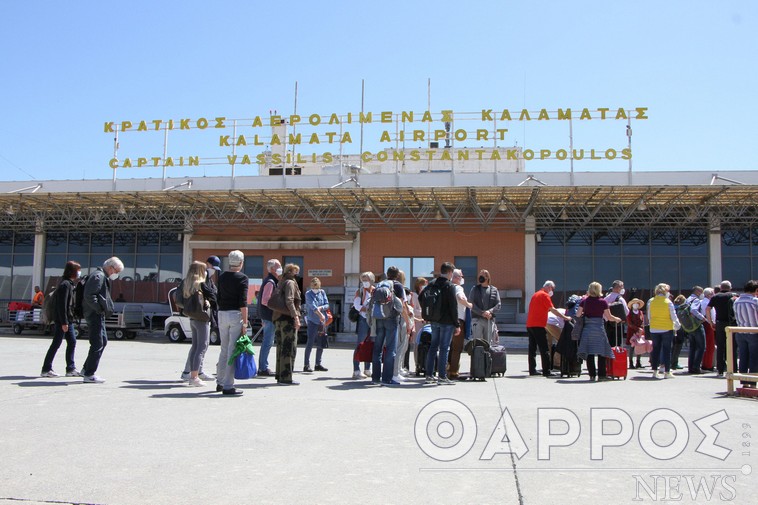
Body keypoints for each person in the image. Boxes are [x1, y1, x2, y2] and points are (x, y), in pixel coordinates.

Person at [81, 256, 124, 383]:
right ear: (110, 268)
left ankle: (86, 369)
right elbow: (89, 295)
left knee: (102, 341)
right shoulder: (98, 276)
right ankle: (89, 374)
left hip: (97, 314)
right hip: (94, 314)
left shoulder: (100, 276)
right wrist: (99, 309)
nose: (116, 275)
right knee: (97, 343)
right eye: (116, 272)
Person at [180, 256, 219, 381]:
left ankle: (192, 372)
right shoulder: (200, 284)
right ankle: (194, 375)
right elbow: (214, 296)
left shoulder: (187, 283)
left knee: (195, 346)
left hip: (192, 316)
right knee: (202, 346)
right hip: (202, 317)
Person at [41, 261, 82, 378]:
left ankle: (71, 368)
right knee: (56, 343)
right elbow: (62, 305)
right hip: (63, 320)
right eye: (78, 270)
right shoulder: (65, 285)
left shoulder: (67, 283)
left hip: (66, 319)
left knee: (72, 342)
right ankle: (46, 369)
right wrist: (64, 322)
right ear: (73, 271)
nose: (79, 272)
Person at [215, 250, 248, 396]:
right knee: (232, 350)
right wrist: (245, 322)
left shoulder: (221, 277)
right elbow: (243, 301)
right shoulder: (242, 278)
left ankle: (220, 382)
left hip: (222, 313)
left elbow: (218, 296)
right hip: (235, 314)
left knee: (224, 349)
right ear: (241, 262)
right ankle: (229, 385)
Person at [576, 282, 623, 381]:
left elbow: (578, 314)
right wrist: (617, 319)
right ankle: (601, 375)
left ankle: (592, 375)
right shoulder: (603, 302)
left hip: (588, 330)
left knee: (589, 353)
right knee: (602, 352)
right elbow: (609, 317)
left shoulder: (584, 301)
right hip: (599, 329)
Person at [424, 262, 459, 386]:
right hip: (447, 322)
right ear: (449, 272)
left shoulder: (432, 283)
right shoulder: (449, 286)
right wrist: (457, 324)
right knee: (444, 348)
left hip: (434, 320)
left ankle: (429, 375)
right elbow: (453, 306)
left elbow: (422, 297)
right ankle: (442, 376)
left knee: (433, 347)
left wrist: (427, 314)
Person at [526, 280, 571, 377]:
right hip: (539, 325)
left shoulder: (536, 294)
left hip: (530, 324)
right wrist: (565, 318)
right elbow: (553, 310)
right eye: (552, 289)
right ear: (549, 287)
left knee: (532, 348)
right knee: (544, 348)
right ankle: (546, 371)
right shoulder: (545, 295)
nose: (552, 291)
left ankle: (532, 370)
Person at [369, 266, 404, 386]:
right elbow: (401, 303)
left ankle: (375, 378)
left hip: (379, 317)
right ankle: (387, 378)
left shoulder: (380, 284)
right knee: (390, 349)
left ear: (387, 274)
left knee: (377, 348)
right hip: (392, 319)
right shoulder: (397, 285)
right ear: (397, 275)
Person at [273, 263, 302, 385]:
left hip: (279, 318)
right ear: (291, 271)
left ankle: (280, 375)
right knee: (289, 348)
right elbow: (289, 300)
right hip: (287, 318)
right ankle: (286, 377)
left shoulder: (281, 281)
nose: (297, 274)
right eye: (295, 271)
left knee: (281, 347)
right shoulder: (290, 282)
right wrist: (295, 316)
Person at [647, 283, 681, 379]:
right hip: (666, 328)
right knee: (667, 350)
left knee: (655, 349)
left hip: (654, 328)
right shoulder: (668, 302)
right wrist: (677, 324)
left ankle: (654, 371)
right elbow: (673, 316)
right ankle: (667, 372)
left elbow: (649, 316)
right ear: (665, 292)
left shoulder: (651, 301)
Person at [256, 258, 282, 377]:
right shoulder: (270, 282)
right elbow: (265, 300)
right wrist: (277, 308)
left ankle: (263, 366)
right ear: (272, 269)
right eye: (279, 266)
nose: (280, 268)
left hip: (266, 316)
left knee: (268, 341)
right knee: (268, 342)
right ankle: (263, 367)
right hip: (269, 316)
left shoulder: (271, 281)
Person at [447, 269, 473, 380]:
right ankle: (453, 371)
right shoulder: (458, 288)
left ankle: (446, 368)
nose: (462, 278)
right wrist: (469, 305)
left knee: (448, 346)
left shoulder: (447, 287)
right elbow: (460, 298)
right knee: (457, 348)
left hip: (446, 320)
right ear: (456, 277)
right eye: (461, 276)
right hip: (458, 321)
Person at [732, 280, 758, 388]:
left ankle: (743, 381)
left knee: (743, 357)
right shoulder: (755, 301)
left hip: (740, 332)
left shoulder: (736, 301)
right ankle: (752, 382)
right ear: (756, 290)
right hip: (754, 332)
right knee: (754, 357)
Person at [709, 281, 737, 377]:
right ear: (730, 288)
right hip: (731, 323)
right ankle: (733, 369)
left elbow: (708, 309)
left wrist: (711, 321)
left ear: (721, 288)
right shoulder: (733, 295)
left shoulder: (716, 296)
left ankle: (720, 370)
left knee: (720, 346)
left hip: (719, 323)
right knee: (732, 346)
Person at [352, 272, 375, 379]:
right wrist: (367, 309)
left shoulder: (375, 290)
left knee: (370, 344)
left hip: (373, 320)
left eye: (367, 279)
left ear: (372, 280)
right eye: (363, 280)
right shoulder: (360, 291)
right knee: (360, 343)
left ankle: (367, 368)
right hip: (363, 319)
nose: (365, 282)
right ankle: (356, 370)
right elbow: (357, 305)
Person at [304, 277, 329, 372]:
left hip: (322, 322)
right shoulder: (308, 294)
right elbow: (312, 306)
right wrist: (320, 313)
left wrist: (321, 308)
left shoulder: (322, 292)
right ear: (311, 286)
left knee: (321, 342)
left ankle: (318, 364)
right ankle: (306, 364)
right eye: (314, 287)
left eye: (317, 287)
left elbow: (327, 304)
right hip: (312, 321)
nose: (316, 289)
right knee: (310, 342)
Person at [469, 269, 501, 345]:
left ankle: (487, 356)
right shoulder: (474, 289)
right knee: (477, 342)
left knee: (488, 343)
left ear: (487, 277)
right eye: (479, 274)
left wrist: (489, 311)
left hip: (489, 320)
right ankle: (477, 356)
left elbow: (498, 304)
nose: (480, 276)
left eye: (482, 275)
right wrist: (481, 313)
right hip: (477, 319)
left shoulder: (494, 290)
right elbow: (471, 303)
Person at [392, 270, 413, 382]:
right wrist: (408, 322)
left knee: (393, 347)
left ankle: (395, 370)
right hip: (400, 319)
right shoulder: (400, 287)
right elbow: (403, 306)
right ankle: (396, 372)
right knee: (400, 346)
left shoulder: (388, 284)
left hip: (389, 319)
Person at [684, 286, 707, 374]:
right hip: (697, 325)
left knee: (692, 347)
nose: (701, 294)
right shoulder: (696, 300)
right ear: (697, 291)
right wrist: (702, 318)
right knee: (701, 347)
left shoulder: (688, 299)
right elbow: (693, 310)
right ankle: (696, 367)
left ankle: (691, 367)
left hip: (689, 326)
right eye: (701, 292)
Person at [626, 298, 646, 369]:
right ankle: (631, 362)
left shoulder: (640, 312)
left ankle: (638, 362)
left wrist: (641, 329)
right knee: (632, 347)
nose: (636, 305)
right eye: (634, 303)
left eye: (637, 304)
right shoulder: (629, 313)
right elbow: (629, 323)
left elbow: (643, 321)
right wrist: (637, 329)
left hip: (640, 332)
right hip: (632, 331)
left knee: (639, 346)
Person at [701, 287, 716, 371]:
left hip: (706, 323)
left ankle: (706, 363)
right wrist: (712, 324)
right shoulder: (707, 303)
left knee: (708, 345)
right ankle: (708, 364)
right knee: (710, 345)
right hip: (708, 324)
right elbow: (710, 314)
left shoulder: (703, 302)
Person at [671, 295, 688, 370]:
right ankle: (675, 363)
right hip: (679, 329)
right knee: (678, 347)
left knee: (673, 347)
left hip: (672, 328)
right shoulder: (681, 309)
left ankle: (671, 362)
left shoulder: (673, 307)